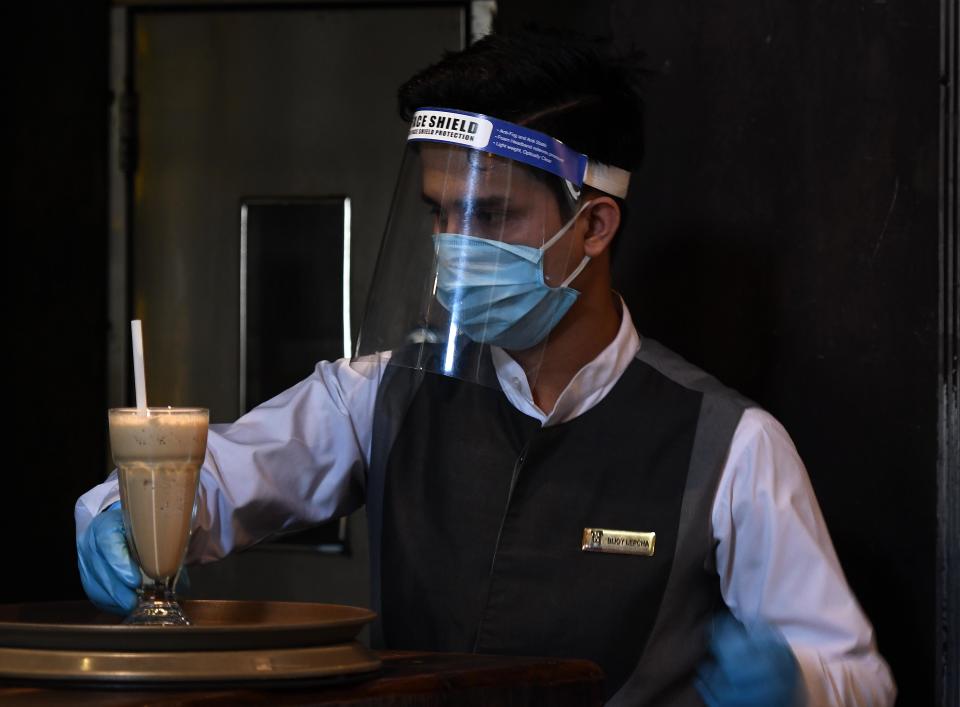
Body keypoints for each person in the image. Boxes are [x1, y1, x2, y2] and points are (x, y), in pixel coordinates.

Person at [76, 31, 896, 706]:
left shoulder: (733, 446)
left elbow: (857, 674)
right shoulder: (380, 394)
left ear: (594, 225)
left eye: (490, 213)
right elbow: (215, 476)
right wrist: (124, 515)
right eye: (440, 213)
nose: (454, 247)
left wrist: (802, 686)